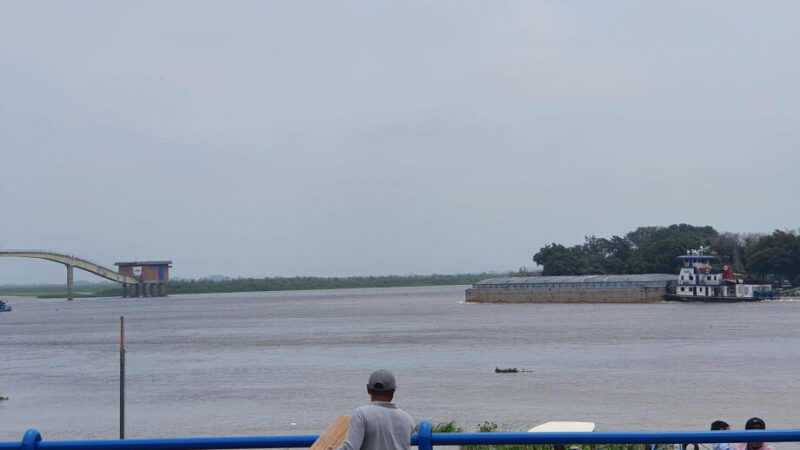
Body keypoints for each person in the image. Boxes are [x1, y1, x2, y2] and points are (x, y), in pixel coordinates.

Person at [334, 369, 413, 450]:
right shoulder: (407, 419)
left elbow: (350, 448)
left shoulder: (361, 414)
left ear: (368, 389)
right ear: (393, 391)